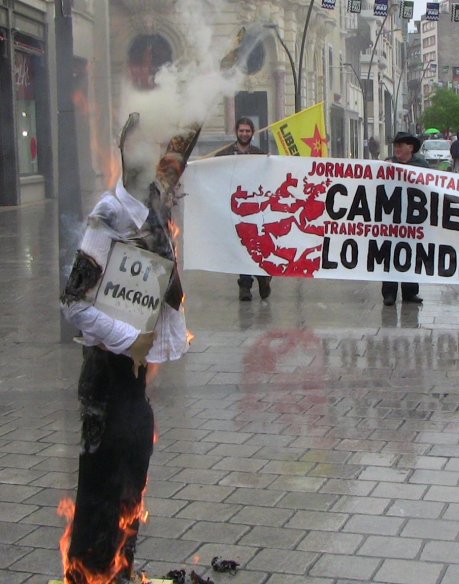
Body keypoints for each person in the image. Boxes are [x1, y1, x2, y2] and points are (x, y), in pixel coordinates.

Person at [60, 114, 199, 583]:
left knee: (131, 480)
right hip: (105, 373)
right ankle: (90, 573)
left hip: (134, 381)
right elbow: (73, 303)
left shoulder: (153, 205)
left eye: (154, 149)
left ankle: (120, 569)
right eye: (138, 148)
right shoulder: (109, 216)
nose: (149, 159)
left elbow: (177, 160)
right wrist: (130, 341)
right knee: (103, 483)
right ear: (123, 154)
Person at [216, 117, 271, 301]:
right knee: (242, 246)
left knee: (257, 245)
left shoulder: (260, 155)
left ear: (252, 133)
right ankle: (245, 285)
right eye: (241, 131)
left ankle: (263, 277)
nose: (244, 134)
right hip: (236, 210)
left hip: (255, 209)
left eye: (248, 131)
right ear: (236, 132)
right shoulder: (224, 155)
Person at [382, 132, 428, 306]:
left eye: (401, 145)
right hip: (391, 217)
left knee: (411, 255)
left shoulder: (421, 165)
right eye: (396, 146)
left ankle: (410, 292)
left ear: (410, 147)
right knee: (389, 255)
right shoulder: (389, 163)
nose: (397, 149)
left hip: (413, 219)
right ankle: (389, 293)